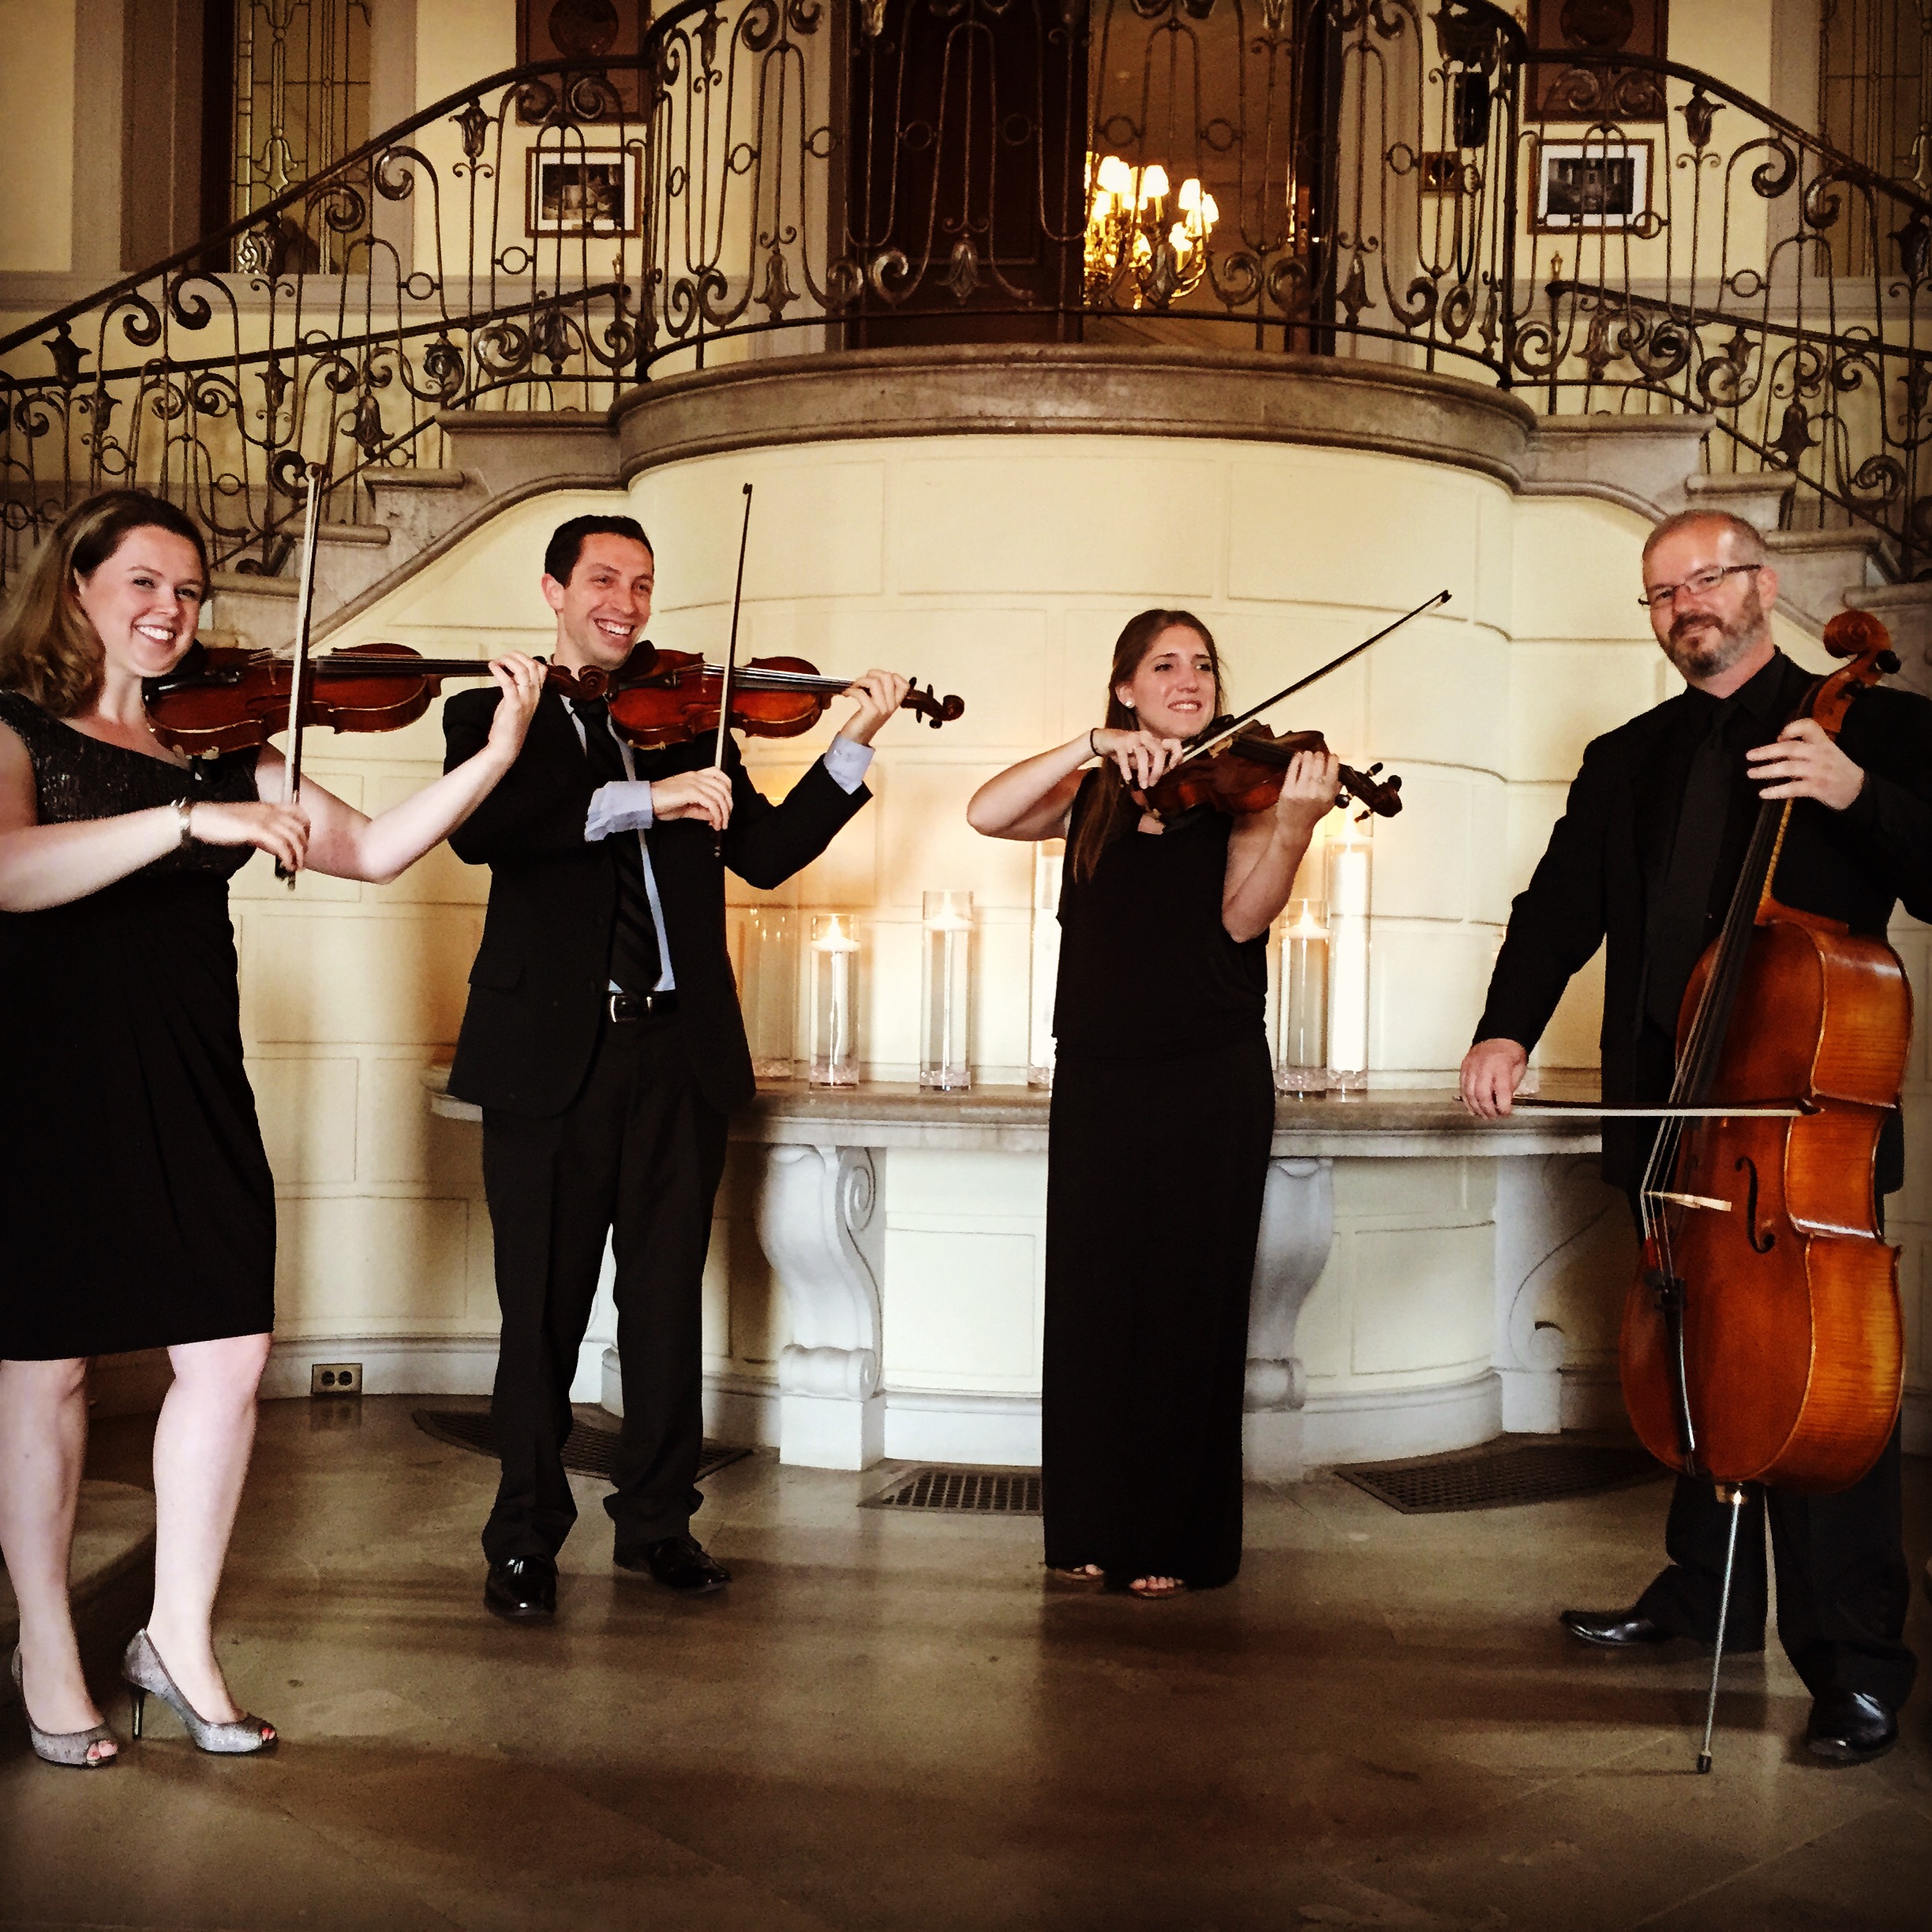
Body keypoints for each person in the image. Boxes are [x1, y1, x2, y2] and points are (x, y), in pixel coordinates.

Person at [0, 490, 544, 1768]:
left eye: (188, 590)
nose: (170, 609)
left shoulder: (227, 739)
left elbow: (374, 849)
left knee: (230, 1352)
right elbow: (8, 871)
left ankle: (175, 1637)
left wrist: (496, 756)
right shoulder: (17, 727)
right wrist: (185, 820)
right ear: (77, 585)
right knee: (48, 1368)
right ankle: (47, 1643)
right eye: (143, 581)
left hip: (194, 1074)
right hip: (49, 1081)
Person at [1460, 507, 1932, 1763]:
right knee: (1691, 1357)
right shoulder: (1629, 756)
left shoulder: (1874, 727)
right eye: (1663, 593)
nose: (1686, 608)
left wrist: (1858, 795)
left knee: (1819, 1396)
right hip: (1672, 1116)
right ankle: (1700, 1597)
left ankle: (1855, 1664)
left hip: (1802, 1136)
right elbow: (1555, 907)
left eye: (1706, 581)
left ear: (1763, 587)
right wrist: (1505, 1027)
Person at [444, 513, 908, 1621]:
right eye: (605, 579)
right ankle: (524, 1542)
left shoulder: (691, 721)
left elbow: (767, 852)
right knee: (540, 1313)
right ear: (554, 590)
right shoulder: (492, 712)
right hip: (549, 1058)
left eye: (644, 584)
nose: (627, 603)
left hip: (676, 1051)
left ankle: (657, 1524)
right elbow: (487, 826)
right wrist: (642, 802)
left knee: (663, 1307)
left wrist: (854, 739)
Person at [968, 610, 1339, 1597]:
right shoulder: (1094, 792)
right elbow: (986, 813)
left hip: (1207, 1074)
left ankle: (1174, 1539)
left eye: (1203, 665)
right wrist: (1088, 744)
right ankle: (1089, 1525)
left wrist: (1294, 826)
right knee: (1093, 1303)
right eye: (1164, 664)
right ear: (1125, 686)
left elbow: (1241, 922)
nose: (1189, 679)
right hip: (1099, 1071)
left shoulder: (1244, 792)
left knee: (1186, 1306)